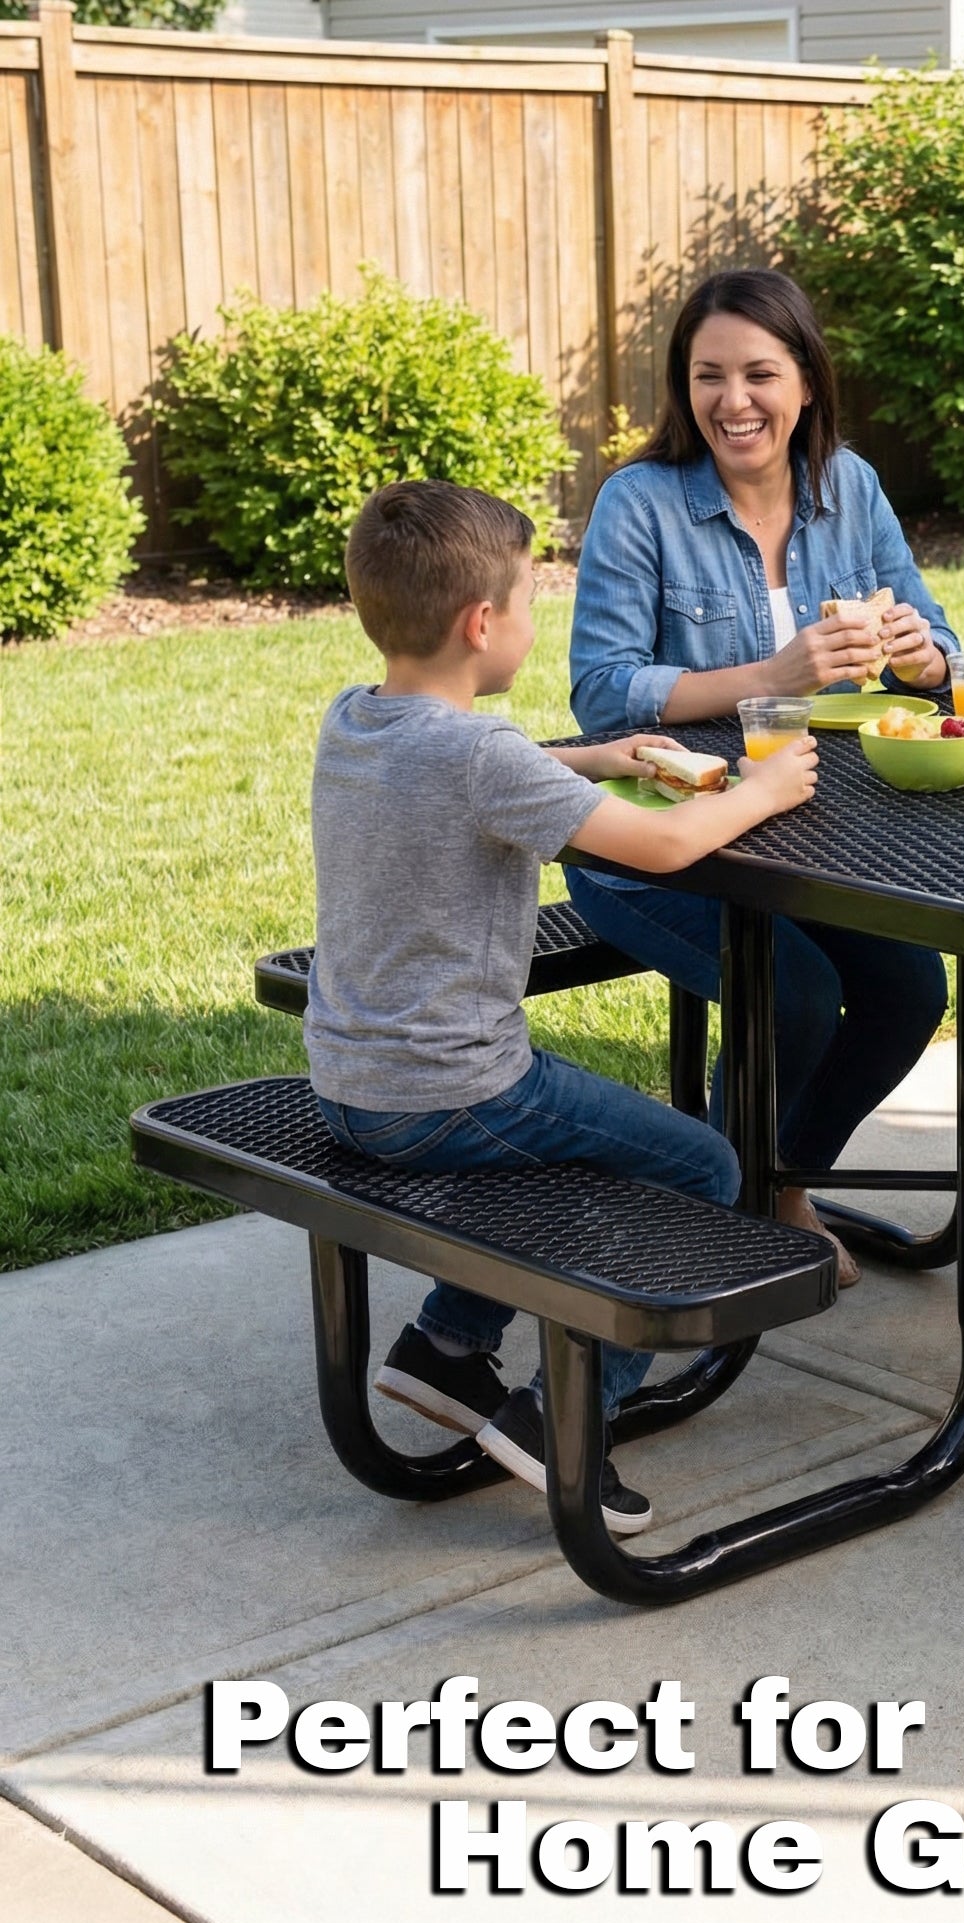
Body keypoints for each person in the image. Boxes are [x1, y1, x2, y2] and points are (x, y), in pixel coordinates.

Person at [305, 479, 819, 1537]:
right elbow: (670, 845)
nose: (536, 624)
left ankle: (444, 1350)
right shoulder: (479, 756)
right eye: (531, 605)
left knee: (582, 1150)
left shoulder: (357, 718)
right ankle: (564, 1419)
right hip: (453, 1089)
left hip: (349, 1082)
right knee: (705, 1166)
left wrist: (594, 757)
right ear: (481, 624)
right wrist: (762, 791)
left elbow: (490, 774)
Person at [569, 268, 956, 1288]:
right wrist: (768, 678)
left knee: (912, 987)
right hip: (653, 849)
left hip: (806, 836)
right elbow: (600, 695)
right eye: (707, 376)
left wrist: (923, 654)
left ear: (807, 382)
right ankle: (750, 1208)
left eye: (757, 373)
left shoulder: (851, 488)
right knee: (792, 992)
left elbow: (936, 635)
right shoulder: (640, 503)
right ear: (681, 388)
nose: (732, 400)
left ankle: (766, 1181)